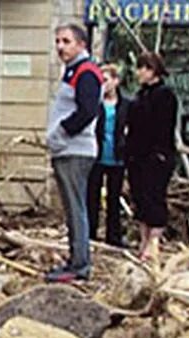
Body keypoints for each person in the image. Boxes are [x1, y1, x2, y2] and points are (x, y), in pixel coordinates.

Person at [44, 23, 102, 283]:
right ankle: (76, 258)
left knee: (76, 207)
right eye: (58, 41)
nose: (60, 47)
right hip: (68, 150)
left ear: (81, 44)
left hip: (74, 150)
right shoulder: (73, 71)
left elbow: (87, 110)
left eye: (66, 41)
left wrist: (61, 133)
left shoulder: (86, 72)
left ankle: (79, 263)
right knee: (73, 207)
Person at [125, 51, 178, 261]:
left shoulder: (165, 95)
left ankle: (153, 243)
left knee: (154, 197)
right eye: (139, 68)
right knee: (140, 199)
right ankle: (143, 240)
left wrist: (160, 153)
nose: (139, 72)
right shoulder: (140, 95)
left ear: (154, 70)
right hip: (136, 156)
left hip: (155, 156)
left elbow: (165, 127)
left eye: (144, 68)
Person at [86, 63, 130, 248]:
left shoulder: (126, 104)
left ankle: (114, 235)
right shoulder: (95, 103)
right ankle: (90, 232)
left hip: (117, 156)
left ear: (116, 81)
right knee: (92, 196)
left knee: (114, 198)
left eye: (106, 80)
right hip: (97, 155)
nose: (103, 84)